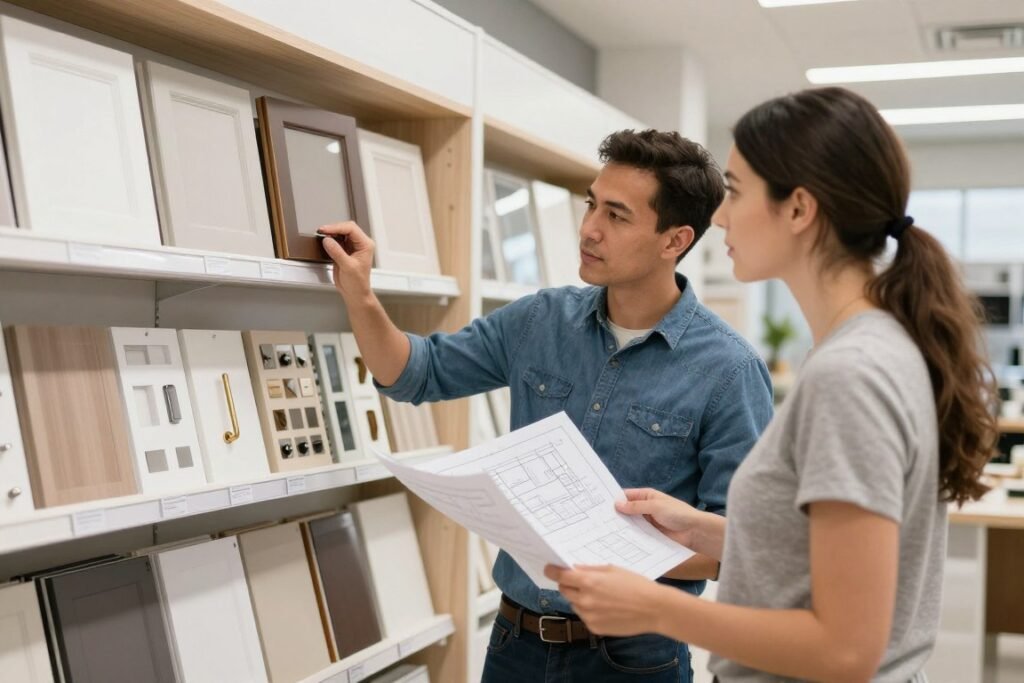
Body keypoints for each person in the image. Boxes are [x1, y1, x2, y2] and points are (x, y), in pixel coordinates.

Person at [546, 87, 999, 683]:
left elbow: (845, 648)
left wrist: (656, 607)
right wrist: (701, 528)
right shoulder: (867, 348)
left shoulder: (851, 374)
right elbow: (830, 556)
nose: (719, 217)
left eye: (734, 192)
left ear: (798, 209)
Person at [318, 129, 774, 682]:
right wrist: (361, 294)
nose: (589, 228)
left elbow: (741, 545)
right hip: (515, 644)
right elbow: (415, 374)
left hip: (634, 661)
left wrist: (618, 555)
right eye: (590, 204)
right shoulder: (540, 320)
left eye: (617, 215)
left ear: (674, 240)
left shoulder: (729, 370)